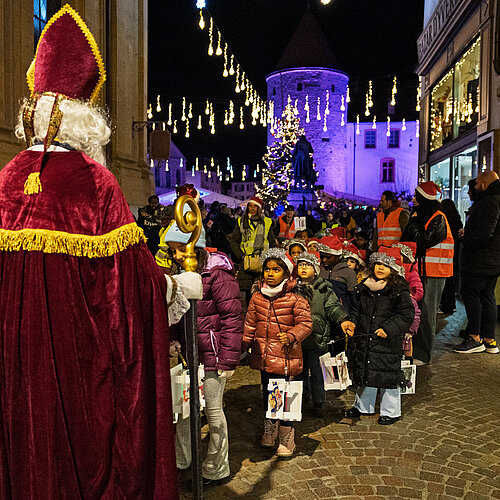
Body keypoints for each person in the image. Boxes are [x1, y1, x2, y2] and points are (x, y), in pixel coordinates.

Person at [0, 6, 179, 497]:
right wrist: (175, 286)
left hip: (17, 362)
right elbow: (134, 281)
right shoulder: (97, 183)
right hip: (81, 367)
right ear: (86, 121)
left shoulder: (8, 179)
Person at [164, 219, 243, 486]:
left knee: (213, 411)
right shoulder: (180, 275)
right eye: (172, 251)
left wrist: (228, 359)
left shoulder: (218, 274)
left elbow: (232, 317)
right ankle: (182, 460)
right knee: (186, 410)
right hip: (190, 355)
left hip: (213, 356)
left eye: (178, 249)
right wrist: (175, 340)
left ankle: (216, 467)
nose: (175, 256)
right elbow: (176, 312)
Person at [242, 248, 312, 457]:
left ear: (287, 273)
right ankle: (271, 425)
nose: (270, 274)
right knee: (268, 391)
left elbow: (306, 324)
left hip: (287, 357)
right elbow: (250, 324)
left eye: (276, 270)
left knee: (286, 394)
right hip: (264, 356)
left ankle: (287, 434)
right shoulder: (257, 297)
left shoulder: (295, 298)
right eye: (267, 270)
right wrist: (244, 345)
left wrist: (291, 336)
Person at [345, 250, 415, 425]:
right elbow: (356, 309)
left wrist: (388, 328)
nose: (380, 268)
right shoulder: (365, 287)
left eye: (385, 265)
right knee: (366, 371)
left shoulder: (398, 290)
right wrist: (352, 322)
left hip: (387, 342)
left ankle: (390, 411)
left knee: (387, 375)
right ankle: (362, 405)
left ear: (393, 268)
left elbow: (406, 315)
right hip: (366, 338)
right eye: (377, 264)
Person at [401, 181, 454, 365]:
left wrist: (414, 222)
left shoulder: (438, 218)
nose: (413, 199)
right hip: (422, 271)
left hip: (434, 273)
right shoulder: (424, 216)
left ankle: (423, 354)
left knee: (426, 314)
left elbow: (423, 241)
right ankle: (414, 350)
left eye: (417, 196)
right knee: (418, 312)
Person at [295, 253, 354, 415]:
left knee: (317, 372)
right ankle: (301, 396)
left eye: (307, 265)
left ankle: (319, 401)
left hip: (317, 337)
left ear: (316, 270)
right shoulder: (293, 288)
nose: (303, 268)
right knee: (298, 371)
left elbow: (333, 307)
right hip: (298, 338)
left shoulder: (324, 288)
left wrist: (343, 319)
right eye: (300, 265)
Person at [453, 171, 500, 354]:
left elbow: (485, 232)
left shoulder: (489, 201)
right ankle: (490, 340)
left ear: (485, 184)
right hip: (493, 258)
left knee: (470, 293)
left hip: (482, 259)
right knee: (488, 296)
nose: (475, 186)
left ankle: (474, 338)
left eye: (478, 182)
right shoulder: (495, 198)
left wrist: (467, 237)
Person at [228, 196, 276, 304]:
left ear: (259, 208)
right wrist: (241, 256)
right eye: (250, 206)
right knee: (249, 293)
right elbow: (234, 240)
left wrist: (271, 258)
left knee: (263, 291)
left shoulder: (267, 222)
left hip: (263, 262)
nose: (252, 209)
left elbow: (271, 242)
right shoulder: (241, 221)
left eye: (255, 206)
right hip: (246, 262)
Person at [393, 242, 423, 358]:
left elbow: (419, 290)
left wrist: (412, 297)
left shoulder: (411, 271)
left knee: (407, 343)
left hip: (407, 304)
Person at [319, 236, 358, 309]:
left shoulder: (349, 273)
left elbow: (354, 300)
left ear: (338, 256)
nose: (324, 260)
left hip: (341, 314)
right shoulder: (319, 270)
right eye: (322, 256)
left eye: (328, 257)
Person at [439, 198, 463, 314]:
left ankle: (445, 305)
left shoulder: (444, 221)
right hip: (454, 254)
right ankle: (450, 304)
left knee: (445, 281)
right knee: (451, 281)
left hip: (444, 254)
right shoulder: (457, 220)